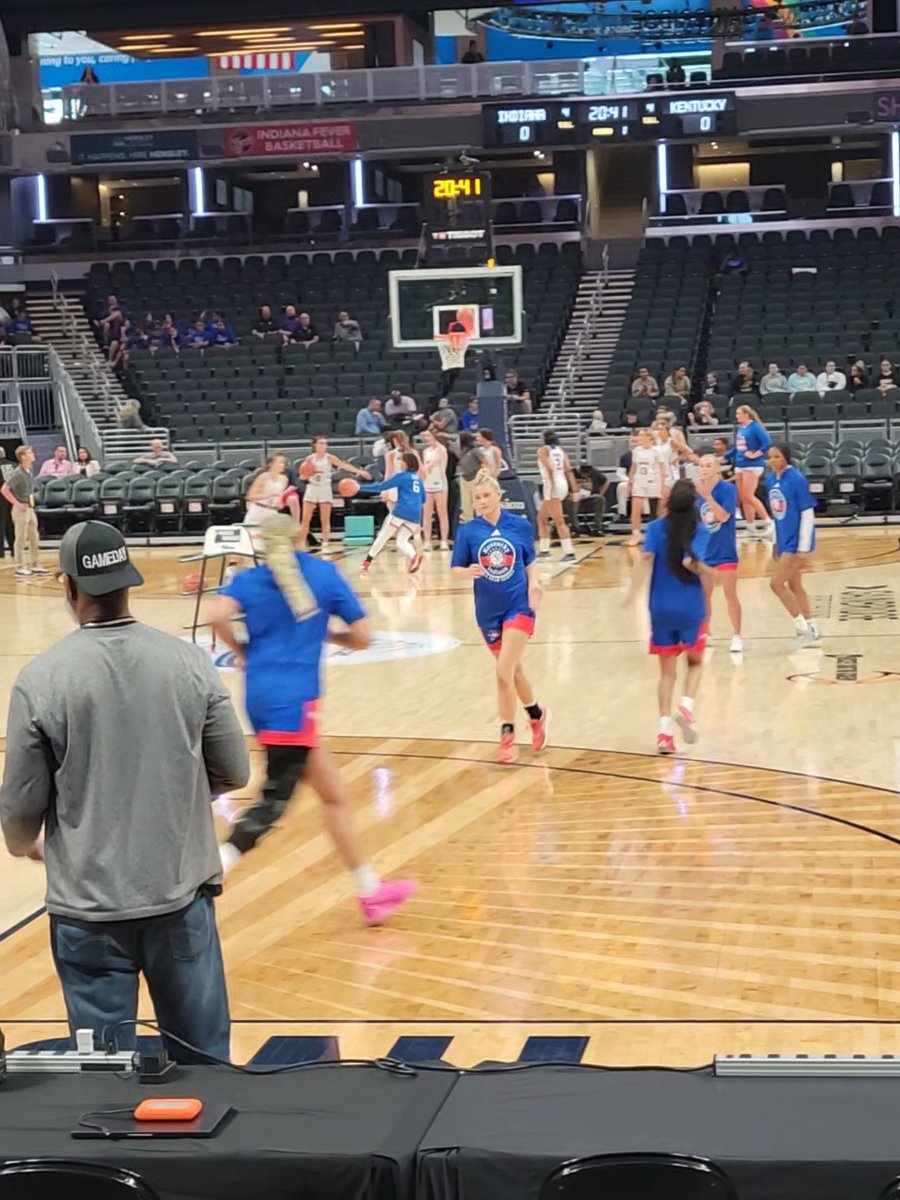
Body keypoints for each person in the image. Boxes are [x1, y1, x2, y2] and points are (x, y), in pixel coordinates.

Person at [1, 521, 249, 1060]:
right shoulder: (189, 663)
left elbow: (19, 812)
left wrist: (28, 845)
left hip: (87, 911)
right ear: (128, 582)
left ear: (69, 588)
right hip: (180, 900)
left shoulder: (41, 681)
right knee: (205, 1068)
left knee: (103, 1084)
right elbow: (234, 770)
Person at [207, 531, 417, 926]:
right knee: (275, 800)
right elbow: (363, 637)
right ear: (300, 537)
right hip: (296, 703)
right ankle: (212, 870)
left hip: (259, 697)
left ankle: (370, 892)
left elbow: (216, 615)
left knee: (334, 794)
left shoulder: (251, 579)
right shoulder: (323, 575)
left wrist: (240, 650)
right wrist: (327, 633)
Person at [451, 471, 548, 764]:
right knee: (514, 671)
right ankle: (537, 715)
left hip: (518, 604)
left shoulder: (519, 525)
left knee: (503, 673)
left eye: (486, 496)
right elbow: (455, 568)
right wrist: (466, 572)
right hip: (487, 611)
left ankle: (507, 735)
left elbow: (529, 562)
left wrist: (534, 584)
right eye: (477, 497)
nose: (482, 501)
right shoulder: (468, 532)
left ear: (498, 495)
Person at [625, 479, 711, 755]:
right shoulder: (700, 530)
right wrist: (709, 570)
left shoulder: (653, 528)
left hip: (660, 607)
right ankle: (686, 705)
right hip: (690, 607)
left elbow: (644, 561)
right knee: (695, 663)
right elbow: (692, 563)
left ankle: (664, 733)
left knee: (666, 672)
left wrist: (631, 593)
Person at [765, 444, 821, 650]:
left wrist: (803, 547)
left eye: (776, 456)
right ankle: (813, 630)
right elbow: (776, 515)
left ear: (786, 458)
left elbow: (807, 513)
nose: (772, 460)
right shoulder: (771, 480)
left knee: (776, 584)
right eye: (770, 457)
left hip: (796, 542)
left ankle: (802, 628)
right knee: (795, 586)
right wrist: (773, 541)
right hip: (783, 539)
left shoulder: (796, 479)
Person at [695, 453, 742, 653]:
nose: (703, 469)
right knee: (704, 596)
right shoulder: (695, 493)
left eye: (707, 465)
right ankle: (706, 633)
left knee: (730, 594)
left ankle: (737, 635)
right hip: (705, 552)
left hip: (725, 550)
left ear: (717, 469)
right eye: (701, 465)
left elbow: (723, 516)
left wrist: (707, 496)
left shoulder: (728, 489)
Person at [298, 437, 370, 553]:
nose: (323, 445)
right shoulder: (309, 459)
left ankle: (326, 543)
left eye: (325, 443)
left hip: (324, 488)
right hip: (312, 488)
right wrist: (304, 476)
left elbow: (344, 465)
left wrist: (360, 472)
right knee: (306, 519)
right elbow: (302, 475)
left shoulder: (329, 458)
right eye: (321, 443)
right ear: (315, 445)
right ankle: (300, 544)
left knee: (325, 519)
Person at [357, 451, 425, 575]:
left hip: (401, 511)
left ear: (407, 463)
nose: (400, 463)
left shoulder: (402, 476)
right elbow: (423, 498)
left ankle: (367, 561)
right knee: (401, 541)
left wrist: (360, 488)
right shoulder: (419, 480)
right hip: (416, 515)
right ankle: (414, 556)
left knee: (383, 536)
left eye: (401, 460)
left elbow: (381, 486)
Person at [1, 445, 45, 579]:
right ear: (23, 456)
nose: (33, 454)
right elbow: (4, 489)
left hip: (30, 507)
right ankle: (19, 566)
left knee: (34, 536)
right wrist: (17, 503)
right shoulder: (18, 473)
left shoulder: (29, 471)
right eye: (30, 452)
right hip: (21, 509)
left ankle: (35, 563)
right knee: (20, 538)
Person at [537, 429, 577, 562]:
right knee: (541, 518)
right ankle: (544, 550)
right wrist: (575, 490)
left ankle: (569, 552)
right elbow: (569, 470)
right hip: (563, 483)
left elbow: (549, 469)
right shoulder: (560, 451)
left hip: (551, 483)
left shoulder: (543, 450)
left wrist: (552, 485)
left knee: (559, 521)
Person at [245, 451, 301, 528]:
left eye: (283, 463)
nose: (282, 465)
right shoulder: (263, 477)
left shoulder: (284, 479)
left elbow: (279, 498)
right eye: (279, 462)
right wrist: (268, 495)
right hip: (258, 511)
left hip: (272, 512)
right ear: (270, 464)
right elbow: (250, 496)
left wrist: (280, 500)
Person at [628, 428, 662, 546]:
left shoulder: (656, 451)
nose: (639, 438)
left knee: (655, 510)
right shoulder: (636, 451)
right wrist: (630, 480)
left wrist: (662, 484)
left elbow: (661, 468)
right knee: (635, 509)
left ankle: (655, 534)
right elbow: (634, 466)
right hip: (639, 480)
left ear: (649, 438)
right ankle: (636, 534)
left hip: (653, 481)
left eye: (642, 435)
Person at [420, 428, 451, 552]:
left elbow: (432, 464)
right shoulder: (425, 451)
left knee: (442, 514)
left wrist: (426, 467)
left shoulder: (441, 449)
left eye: (428, 436)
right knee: (426, 515)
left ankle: (444, 541)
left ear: (434, 436)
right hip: (427, 485)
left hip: (440, 485)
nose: (426, 439)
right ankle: (427, 541)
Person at [564, 463, 608, 537]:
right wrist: (568, 494)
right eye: (584, 474)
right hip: (575, 496)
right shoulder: (571, 473)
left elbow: (606, 482)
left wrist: (600, 493)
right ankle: (575, 528)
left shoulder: (595, 473)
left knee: (600, 499)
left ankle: (596, 527)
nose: (586, 476)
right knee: (572, 502)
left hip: (589, 496)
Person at [457, 430, 481, 524]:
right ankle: (468, 523)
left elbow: (485, 462)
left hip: (475, 478)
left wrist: (481, 475)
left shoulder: (475, 451)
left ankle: (482, 525)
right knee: (465, 504)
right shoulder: (462, 451)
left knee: (477, 503)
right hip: (464, 478)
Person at [0, 447, 15, 559]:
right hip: (12, 496)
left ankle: (0, 552)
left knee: (1, 523)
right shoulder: (13, 465)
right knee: (11, 523)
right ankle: (14, 549)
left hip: (1, 496)